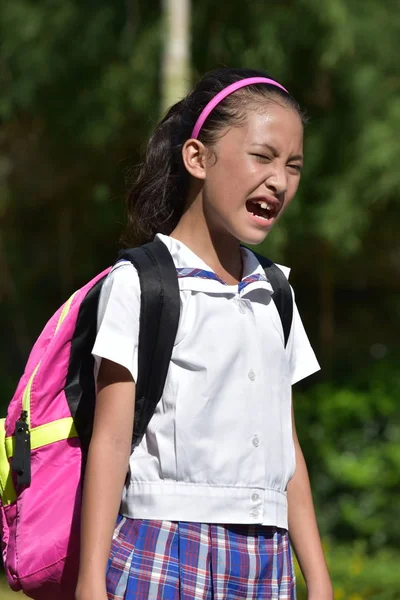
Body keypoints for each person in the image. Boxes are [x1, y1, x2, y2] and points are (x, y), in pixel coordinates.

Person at [75, 67, 333, 600]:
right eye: (262, 156)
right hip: (162, 548)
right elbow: (112, 439)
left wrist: (321, 581)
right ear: (197, 158)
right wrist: (90, 583)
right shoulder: (140, 284)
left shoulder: (276, 292)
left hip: (268, 562)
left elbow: (286, 449)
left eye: (293, 166)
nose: (280, 181)